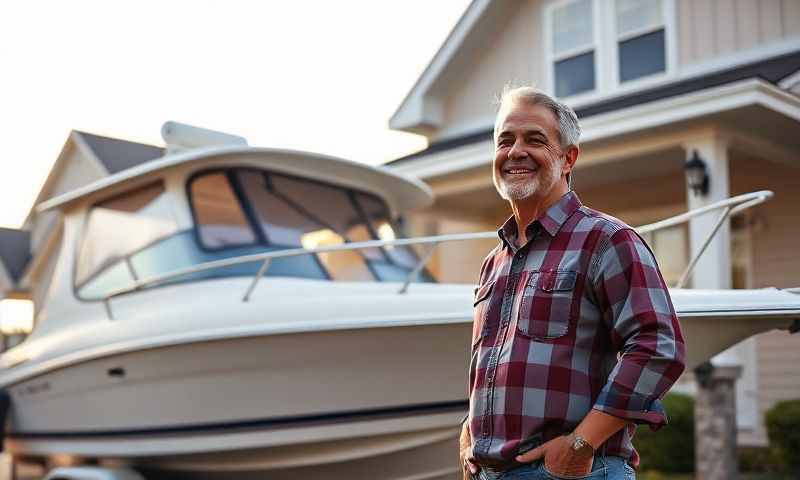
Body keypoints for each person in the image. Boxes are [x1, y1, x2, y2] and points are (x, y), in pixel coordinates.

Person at [459, 86, 686, 480]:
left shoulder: (607, 239)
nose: (515, 152)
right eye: (505, 140)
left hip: (573, 471)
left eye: (535, 140)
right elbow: (494, 364)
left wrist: (581, 444)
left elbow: (657, 348)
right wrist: (469, 433)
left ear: (568, 158)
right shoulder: (493, 262)